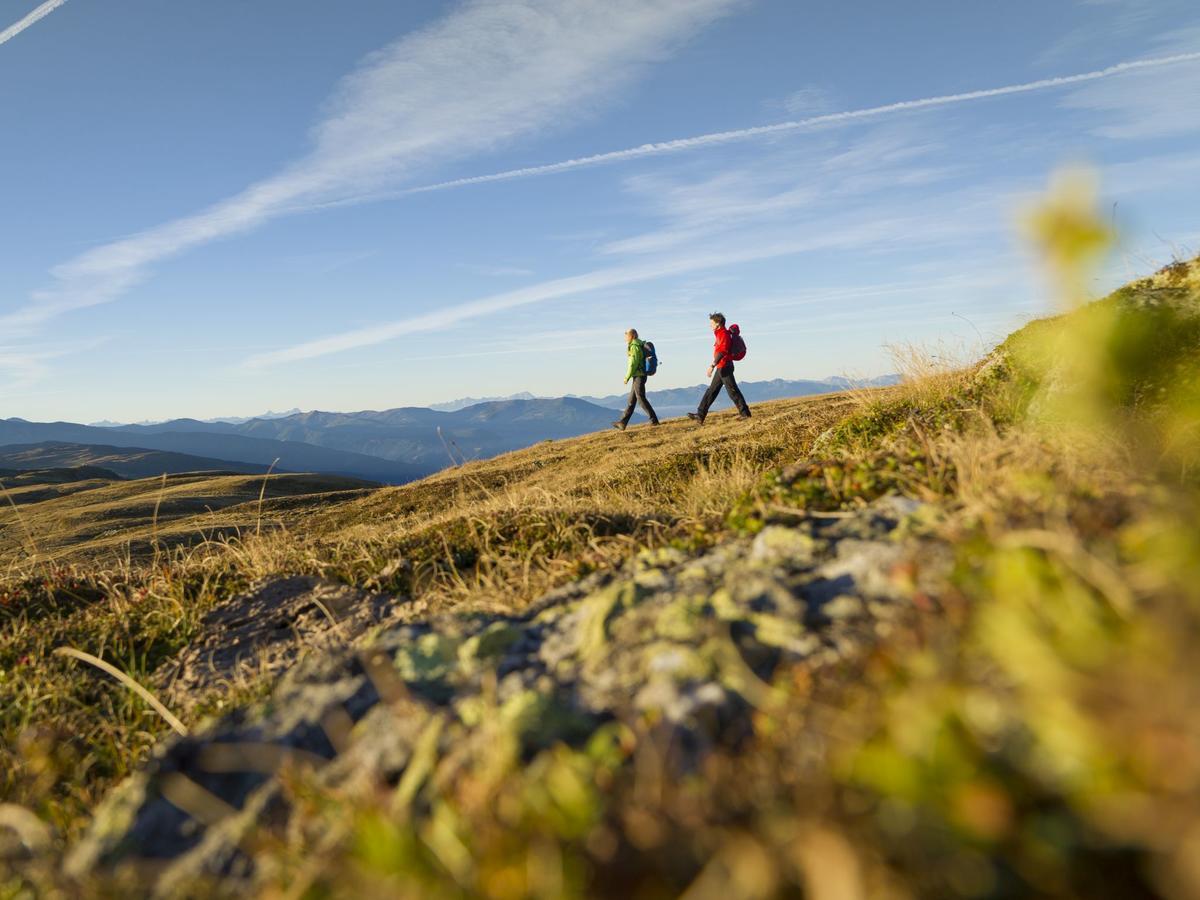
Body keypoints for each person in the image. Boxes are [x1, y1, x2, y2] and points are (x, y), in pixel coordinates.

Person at [688, 311, 751, 424]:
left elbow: (723, 351)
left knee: (733, 391)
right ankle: (700, 415)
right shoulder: (720, 333)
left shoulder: (723, 334)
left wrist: (712, 365)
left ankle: (745, 414)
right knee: (711, 391)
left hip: (725, 366)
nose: (710, 325)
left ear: (718, 323)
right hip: (722, 366)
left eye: (711, 323)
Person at [612, 328, 659, 431]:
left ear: (631, 336)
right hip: (640, 375)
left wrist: (626, 377)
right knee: (631, 400)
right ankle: (622, 422)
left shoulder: (634, 346)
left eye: (626, 336)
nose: (625, 338)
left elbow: (633, 363)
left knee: (641, 398)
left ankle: (653, 420)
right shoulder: (639, 344)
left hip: (639, 376)